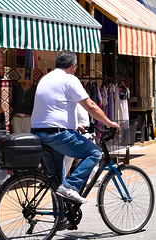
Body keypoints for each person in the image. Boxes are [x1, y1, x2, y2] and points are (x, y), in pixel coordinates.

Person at [31, 51, 121, 204]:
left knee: (57, 180)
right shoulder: (69, 79)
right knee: (94, 152)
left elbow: (53, 107)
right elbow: (91, 105)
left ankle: (61, 217)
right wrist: (109, 123)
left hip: (39, 133)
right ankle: (71, 186)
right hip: (57, 134)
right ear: (73, 66)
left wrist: (73, 124)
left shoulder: (45, 79)